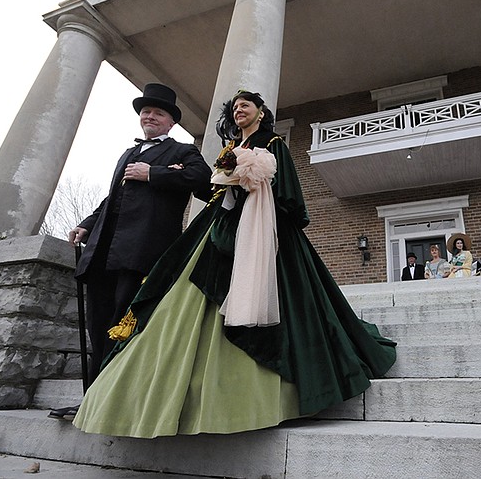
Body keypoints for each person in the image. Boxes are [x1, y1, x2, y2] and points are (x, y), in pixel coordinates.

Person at [71, 90, 396, 438]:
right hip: (219, 223)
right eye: (235, 106)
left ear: (261, 112)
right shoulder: (226, 150)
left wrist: (247, 183)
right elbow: (211, 190)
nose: (239, 109)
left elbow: (284, 189)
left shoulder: (272, 142)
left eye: (246, 105)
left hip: (262, 227)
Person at [49, 83, 211, 419]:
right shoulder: (127, 154)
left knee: (125, 326)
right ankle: (93, 401)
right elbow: (112, 199)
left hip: (142, 253)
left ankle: (117, 401)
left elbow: (204, 181)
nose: (150, 116)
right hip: (104, 254)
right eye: (146, 111)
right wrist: (88, 225)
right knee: (98, 326)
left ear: (170, 122)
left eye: (159, 113)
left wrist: (154, 173)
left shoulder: (182, 152)